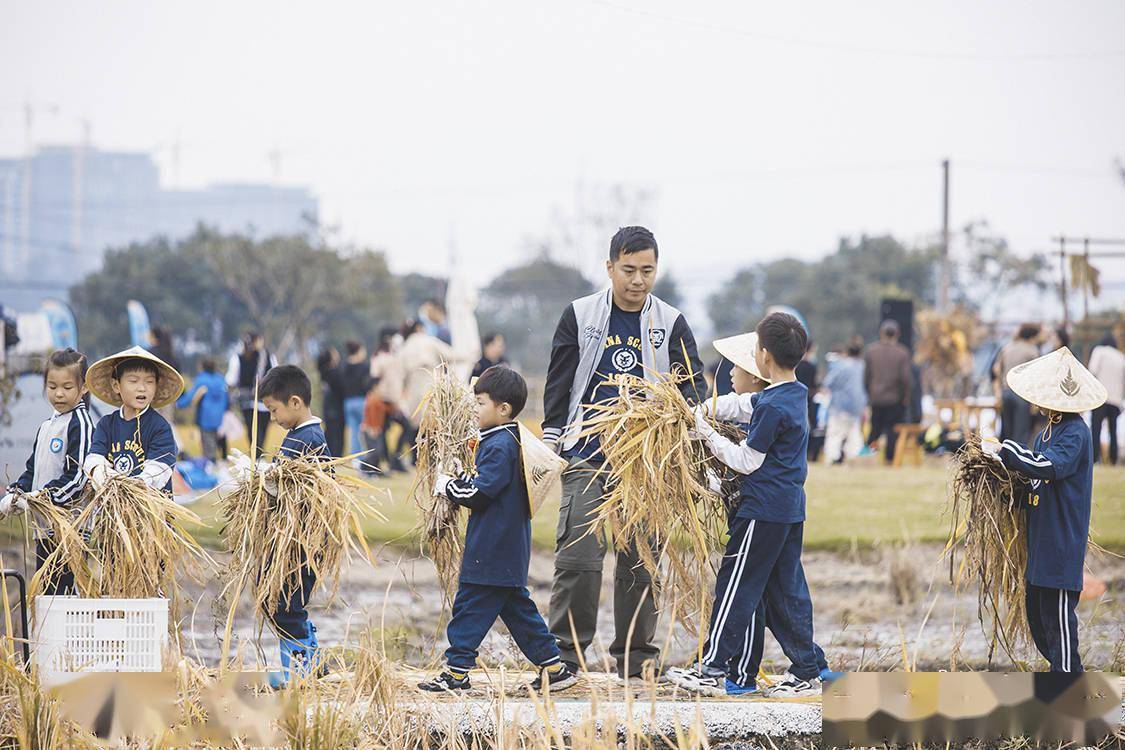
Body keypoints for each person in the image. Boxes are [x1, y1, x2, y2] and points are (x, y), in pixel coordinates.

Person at [541, 225, 706, 678]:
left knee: (641, 561)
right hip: (587, 452)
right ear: (609, 266)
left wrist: (684, 438)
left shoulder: (670, 322)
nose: (638, 280)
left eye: (647, 271)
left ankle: (635, 660)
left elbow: (693, 388)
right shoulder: (580, 314)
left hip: (644, 462)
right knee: (578, 557)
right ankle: (566, 657)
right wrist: (554, 439)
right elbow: (559, 382)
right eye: (629, 270)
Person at [669, 313, 828, 697]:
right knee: (783, 591)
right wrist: (705, 409)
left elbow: (746, 460)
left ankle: (712, 670)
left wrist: (704, 433)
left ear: (764, 355)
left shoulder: (774, 407)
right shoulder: (790, 394)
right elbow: (743, 404)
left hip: (762, 510)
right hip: (788, 509)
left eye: (755, 346)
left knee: (735, 587)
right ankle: (807, 670)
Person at [418, 366, 578, 693]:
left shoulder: (500, 445)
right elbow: (486, 484)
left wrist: (448, 487)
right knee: (518, 612)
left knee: (469, 607)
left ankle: (457, 671)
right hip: (507, 547)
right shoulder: (505, 441)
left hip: (491, 548)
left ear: (502, 409)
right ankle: (555, 667)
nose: (473, 409)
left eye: (479, 403)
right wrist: (462, 478)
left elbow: (481, 493)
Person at [982, 346, 1107, 672]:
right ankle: (1059, 678)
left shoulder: (1075, 433)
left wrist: (1005, 449)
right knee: (1038, 618)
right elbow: (1034, 481)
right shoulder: (1044, 434)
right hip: (1041, 544)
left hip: (1062, 542)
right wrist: (1004, 487)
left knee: (1059, 621)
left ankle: (1069, 684)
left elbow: (1049, 467)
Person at [232, 365, 330, 688]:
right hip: (286, 539)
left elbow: (296, 488)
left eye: (273, 410)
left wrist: (260, 478)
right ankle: (310, 659)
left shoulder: (309, 438)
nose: (271, 417)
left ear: (296, 403)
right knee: (272, 594)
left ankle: (301, 666)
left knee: (286, 602)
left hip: (301, 541)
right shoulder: (296, 436)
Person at [0, 349, 96, 594]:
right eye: (52, 386)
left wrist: (40, 499)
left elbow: (78, 477)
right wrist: (16, 493)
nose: (59, 393)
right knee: (46, 590)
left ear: (83, 388)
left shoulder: (80, 423)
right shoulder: (46, 426)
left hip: (69, 529)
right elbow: (33, 469)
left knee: (63, 593)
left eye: (67, 387)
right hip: (44, 527)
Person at [82, 346, 184, 496]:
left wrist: (136, 486)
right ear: (116, 385)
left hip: (150, 511)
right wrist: (108, 480)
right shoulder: (106, 425)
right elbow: (94, 459)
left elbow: (159, 469)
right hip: (113, 511)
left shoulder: (160, 428)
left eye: (149, 382)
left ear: (156, 386)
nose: (142, 388)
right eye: (133, 381)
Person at [399, 319, 456, 461]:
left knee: (415, 421)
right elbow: (450, 354)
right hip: (430, 379)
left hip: (413, 383)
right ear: (419, 328)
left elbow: (401, 371)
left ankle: (416, 458)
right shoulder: (428, 340)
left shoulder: (405, 346)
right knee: (433, 419)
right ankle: (432, 456)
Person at [863, 320, 912, 464]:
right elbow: (906, 379)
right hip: (894, 399)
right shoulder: (902, 353)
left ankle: (871, 455)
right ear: (897, 334)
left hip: (876, 398)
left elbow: (867, 377)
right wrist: (905, 398)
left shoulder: (871, 351)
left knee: (875, 429)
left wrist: (870, 393)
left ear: (881, 333)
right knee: (892, 432)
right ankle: (890, 459)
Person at [226, 332, 277, 458]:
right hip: (262, 400)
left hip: (250, 401)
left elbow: (231, 380)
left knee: (253, 430)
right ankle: (259, 455)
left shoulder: (239, 358)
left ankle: (258, 455)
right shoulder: (267, 356)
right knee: (260, 430)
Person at [993, 324, 1041, 445]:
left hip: (1006, 392)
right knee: (1021, 431)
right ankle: (1017, 461)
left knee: (1007, 430)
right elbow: (1035, 375)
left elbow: (996, 369)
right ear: (1033, 336)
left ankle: (1005, 459)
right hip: (1021, 394)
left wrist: (998, 391)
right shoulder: (1032, 350)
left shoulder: (1007, 347)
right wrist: (1035, 401)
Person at [821, 338, 867, 464]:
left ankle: (831, 458)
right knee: (853, 433)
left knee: (835, 433)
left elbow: (828, 383)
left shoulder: (842, 366)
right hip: (857, 407)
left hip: (839, 406)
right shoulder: (864, 367)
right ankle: (853, 458)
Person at [368, 327, 408, 473]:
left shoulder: (393, 356)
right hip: (384, 401)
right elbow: (374, 379)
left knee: (402, 427)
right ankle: (387, 461)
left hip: (393, 401)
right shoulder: (379, 358)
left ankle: (393, 459)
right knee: (383, 431)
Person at [175, 358, 229, 462]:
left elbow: (191, 396)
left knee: (208, 446)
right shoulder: (220, 379)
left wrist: (179, 403)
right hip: (220, 417)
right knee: (218, 441)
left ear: (202, 367)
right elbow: (226, 398)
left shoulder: (202, 380)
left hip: (206, 417)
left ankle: (210, 465)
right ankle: (221, 461)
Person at [1087, 333, 1124, 465]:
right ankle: (1113, 461)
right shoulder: (1121, 357)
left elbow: (1092, 370)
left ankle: (1094, 459)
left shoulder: (1099, 351)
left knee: (1096, 430)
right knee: (1113, 431)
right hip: (1116, 399)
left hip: (1100, 398)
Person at [340, 340, 372, 462]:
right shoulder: (364, 366)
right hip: (362, 401)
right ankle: (368, 456)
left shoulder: (344, 366)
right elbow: (368, 384)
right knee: (365, 430)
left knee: (354, 431)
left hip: (348, 402)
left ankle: (356, 458)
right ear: (358, 350)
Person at [794, 340, 822, 461]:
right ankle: (810, 453)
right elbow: (814, 385)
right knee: (810, 426)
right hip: (808, 399)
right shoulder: (811, 366)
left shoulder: (795, 365)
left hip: (795, 399)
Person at [316, 347, 345, 458]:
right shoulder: (335, 372)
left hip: (328, 407)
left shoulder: (324, 372)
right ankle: (336, 456)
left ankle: (328, 454)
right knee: (337, 434)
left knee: (330, 432)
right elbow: (342, 388)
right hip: (336, 407)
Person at [148, 325, 180, 423]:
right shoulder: (171, 355)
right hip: (168, 395)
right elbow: (178, 375)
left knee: (150, 425)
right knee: (166, 424)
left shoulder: (149, 354)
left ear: (154, 336)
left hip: (151, 394)